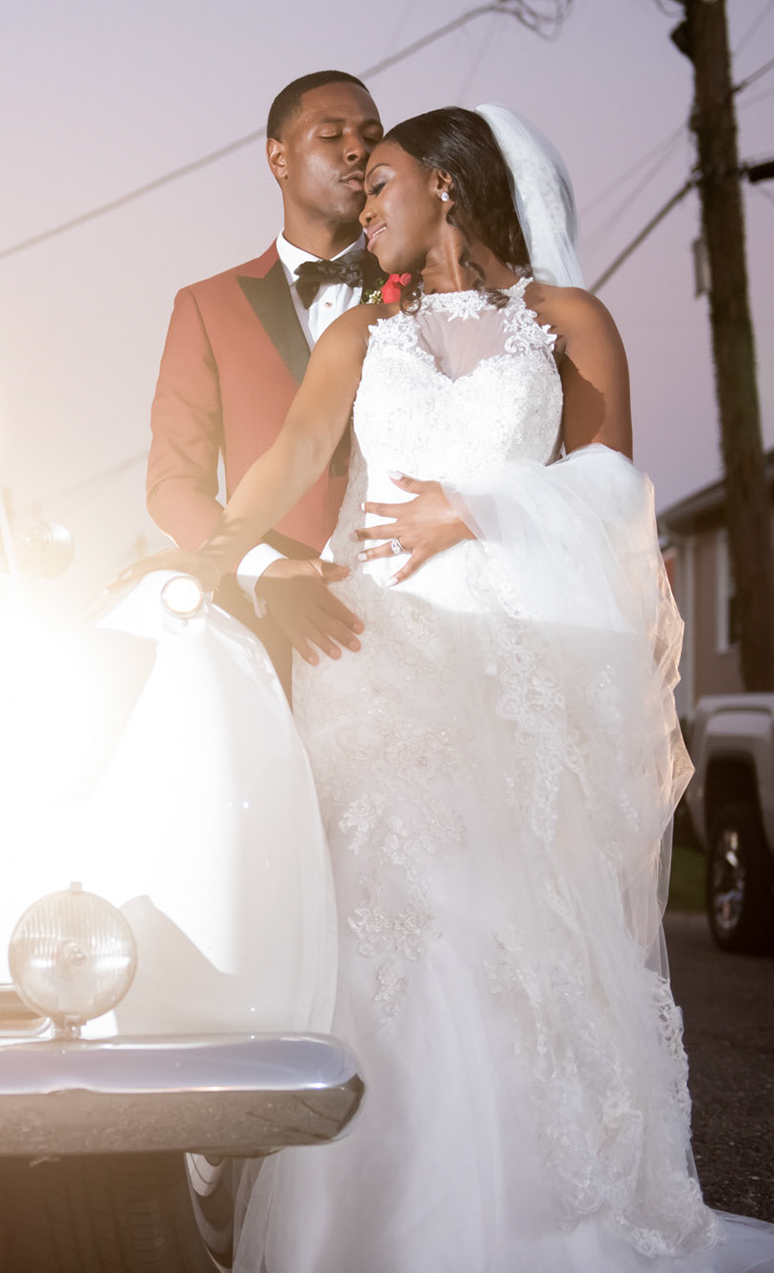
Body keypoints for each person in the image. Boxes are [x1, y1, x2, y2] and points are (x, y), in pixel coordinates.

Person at [172, 105, 774, 1272]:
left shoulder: (567, 322)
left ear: (447, 188)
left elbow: (611, 486)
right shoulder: (357, 331)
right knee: (398, 928)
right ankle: (380, 1226)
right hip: (380, 661)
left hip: (518, 669)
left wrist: (479, 506)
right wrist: (204, 552)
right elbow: (293, 457)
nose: (365, 202)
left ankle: (540, 1213)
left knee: (514, 927)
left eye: (383, 180)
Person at [145, 70, 389, 690]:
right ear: (278, 159)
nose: (357, 149)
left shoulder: (424, 295)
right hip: (267, 632)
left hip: (410, 614)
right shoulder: (207, 305)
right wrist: (264, 571)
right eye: (331, 135)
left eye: (370, 135)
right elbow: (174, 484)